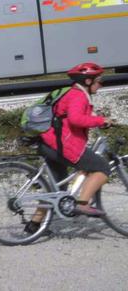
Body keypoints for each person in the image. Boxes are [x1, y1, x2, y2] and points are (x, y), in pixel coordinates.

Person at [26, 62, 112, 232]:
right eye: (99, 81)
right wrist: (101, 121)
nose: (101, 84)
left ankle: (34, 225)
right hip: (63, 144)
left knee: (56, 188)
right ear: (88, 81)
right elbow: (76, 119)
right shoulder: (78, 95)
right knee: (102, 167)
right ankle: (82, 203)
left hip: (50, 142)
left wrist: (96, 119)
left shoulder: (73, 93)